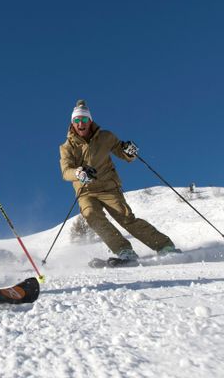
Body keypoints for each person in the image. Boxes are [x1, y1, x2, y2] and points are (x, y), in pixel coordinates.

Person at [59, 99, 179, 261]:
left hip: (109, 188)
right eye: (77, 120)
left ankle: (164, 245)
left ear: (90, 120)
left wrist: (129, 151)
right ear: (72, 123)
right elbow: (66, 172)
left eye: (84, 119)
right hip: (86, 191)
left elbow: (122, 152)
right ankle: (124, 251)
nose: (81, 123)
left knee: (126, 218)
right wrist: (79, 173)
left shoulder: (105, 137)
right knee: (91, 215)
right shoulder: (67, 147)